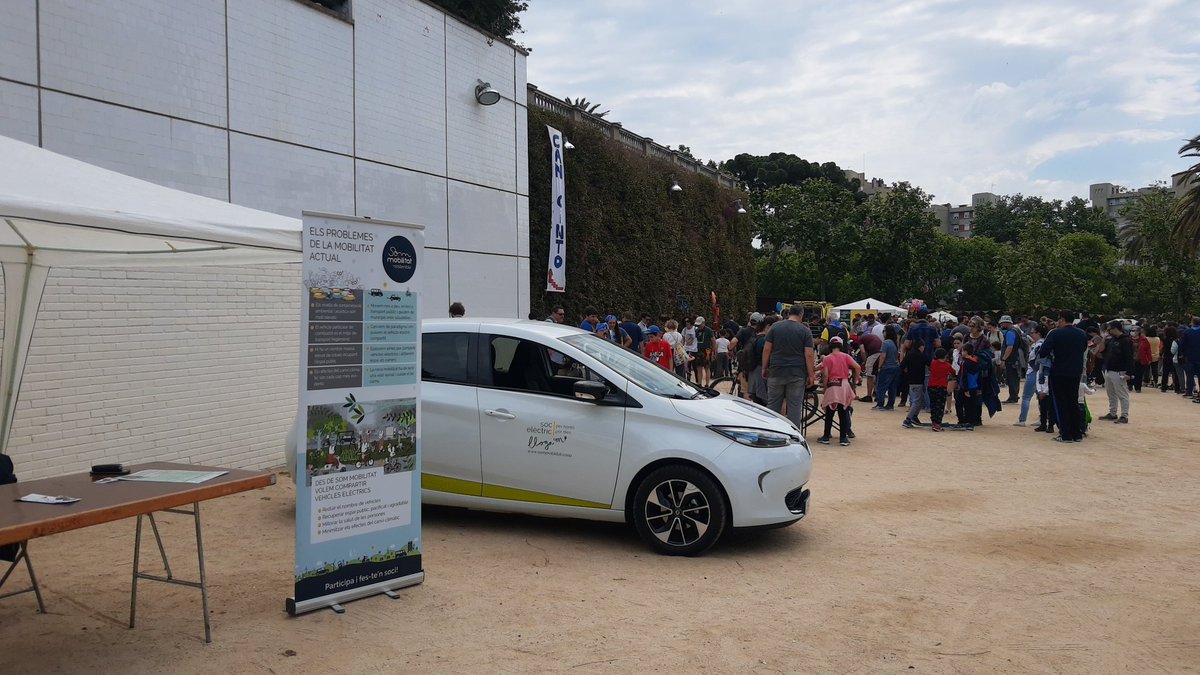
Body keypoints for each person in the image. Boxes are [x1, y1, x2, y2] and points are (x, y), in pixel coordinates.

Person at [761, 305, 816, 431]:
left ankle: (770, 433)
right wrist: (811, 374)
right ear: (801, 315)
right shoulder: (805, 331)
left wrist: (764, 367)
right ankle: (793, 436)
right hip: (797, 373)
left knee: (773, 406)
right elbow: (809, 354)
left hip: (776, 370)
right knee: (794, 408)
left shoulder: (775, 327)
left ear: (788, 313)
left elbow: (767, 349)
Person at [1040, 310, 1089, 442]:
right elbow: (1084, 348)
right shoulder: (1081, 333)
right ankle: (1077, 433)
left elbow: (1043, 352)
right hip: (1075, 371)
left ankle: (1065, 434)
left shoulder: (1055, 333)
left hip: (1059, 371)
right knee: (1073, 402)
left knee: (1061, 403)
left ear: (1062, 319)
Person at [816, 336, 860, 446]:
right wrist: (855, 381)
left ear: (830, 346)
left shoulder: (827, 358)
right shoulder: (846, 356)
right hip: (844, 385)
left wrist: (825, 388)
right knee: (843, 412)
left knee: (829, 413)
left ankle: (826, 436)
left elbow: (825, 376)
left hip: (832, 385)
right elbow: (857, 367)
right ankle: (843, 438)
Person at [1099, 320, 1132, 423]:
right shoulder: (1111, 340)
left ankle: (1124, 415)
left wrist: (1129, 373)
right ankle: (1112, 412)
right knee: (1111, 393)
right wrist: (1103, 339)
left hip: (1119, 370)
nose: (1108, 332)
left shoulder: (1126, 340)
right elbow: (1101, 350)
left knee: (1122, 394)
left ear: (1115, 329)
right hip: (1109, 369)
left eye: (1109, 329)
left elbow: (1129, 357)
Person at [1014, 325, 1046, 426]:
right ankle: (1043, 418)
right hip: (1040, 372)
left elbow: (1033, 359)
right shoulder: (1042, 343)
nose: (1031, 334)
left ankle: (1022, 420)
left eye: (1033, 333)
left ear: (1038, 333)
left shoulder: (1038, 345)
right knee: (1040, 397)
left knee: (1026, 397)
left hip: (1034, 371)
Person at [900, 340, 929, 429]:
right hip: (918, 380)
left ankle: (914, 417)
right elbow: (930, 363)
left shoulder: (909, 354)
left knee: (918, 400)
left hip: (911, 380)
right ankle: (908, 419)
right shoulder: (921, 355)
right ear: (920, 346)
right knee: (917, 401)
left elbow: (902, 365)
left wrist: (906, 371)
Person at [872, 325, 901, 410]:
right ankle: (890, 405)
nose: (883, 333)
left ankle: (880, 404)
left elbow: (883, 356)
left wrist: (879, 367)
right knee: (892, 387)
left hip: (887, 367)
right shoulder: (894, 342)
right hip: (895, 367)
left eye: (884, 331)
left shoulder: (885, 343)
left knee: (881, 386)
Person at [999, 315, 1025, 403]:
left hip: (1012, 359)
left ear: (1006, 323)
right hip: (1016, 358)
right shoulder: (1017, 330)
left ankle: (1013, 397)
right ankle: (1014, 396)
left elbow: (1009, 347)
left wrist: (1003, 359)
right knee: (1015, 378)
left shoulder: (1010, 333)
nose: (1002, 324)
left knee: (1011, 378)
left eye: (1002, 323)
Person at [956, 343, 982, 431]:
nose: (961, 353)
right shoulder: (976, 361)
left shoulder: (964, 362)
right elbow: (979, 375)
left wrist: (965, 389)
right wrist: (979, 387)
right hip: (974, 386)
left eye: (962, 351)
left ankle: (962, 420)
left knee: (959, 403)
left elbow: (964, 376)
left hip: (966, 387)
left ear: (966, 352)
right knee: (971, 405)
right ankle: (970, 421)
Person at [928, 347, 954, 432]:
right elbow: (953, 373)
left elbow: (930, 369)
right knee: (940, 406)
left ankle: (933, 422)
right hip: (942, 387)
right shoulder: (947, 365)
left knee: (933, 405)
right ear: (945, 356)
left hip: (931, 386)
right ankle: (937, 423)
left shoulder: (933, 363)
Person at [856, 328, 883, 404]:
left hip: (874, 353)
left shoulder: (860, 339)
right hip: (881, 352)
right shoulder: (871, 336)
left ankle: (869, 396)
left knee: (869, 375)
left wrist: (865, 361)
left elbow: (863, 351)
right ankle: (877, 394)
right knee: (876, 374)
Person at [693, 317, 716, 386]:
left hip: (707, 351)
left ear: (703, 323)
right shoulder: (696, 331)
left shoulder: (709, 330)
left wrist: (713, 351)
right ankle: (699, 383)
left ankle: (707, 383)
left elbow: (713, 341)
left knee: (707, 367)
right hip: (698, 350)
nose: (698, 326)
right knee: (699, 367)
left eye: (699, 325)